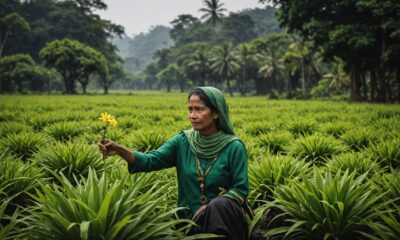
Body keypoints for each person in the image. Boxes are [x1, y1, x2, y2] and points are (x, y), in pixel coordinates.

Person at [99, 86, 249, 240]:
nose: (193, 115)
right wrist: (119, 150)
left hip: (223, 223)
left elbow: (241, 189)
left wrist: (210, 209)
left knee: (219, 210)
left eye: (199, 109)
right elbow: (150, 161)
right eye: (190, 110)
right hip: (188, 223)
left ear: (216, 113)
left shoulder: (233, 147)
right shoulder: (183, 141)